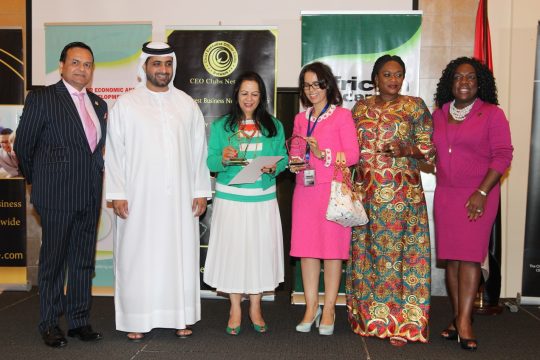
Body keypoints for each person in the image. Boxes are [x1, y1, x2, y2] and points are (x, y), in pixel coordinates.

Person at [105, 41, 212, 341]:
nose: (162, 69)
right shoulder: (126, 104)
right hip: (138, 199)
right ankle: (136, 318)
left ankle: (180, 316)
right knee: (137, 255)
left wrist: (201, 190)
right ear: (145, 66)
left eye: (167, 64)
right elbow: (115, 152)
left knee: (178, 254)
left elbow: (198, 152)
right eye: (156, 64)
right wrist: (118, 193)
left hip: (179, 199)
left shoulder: (186, 103)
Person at [15, 42, 107, 348]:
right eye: (76, 62)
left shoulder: (99, 105)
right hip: (56, 196)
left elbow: (94, 152)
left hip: (90, 196)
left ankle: (79, 321)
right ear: (62, 66)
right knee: (53, 263)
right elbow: (23, 148)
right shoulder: (42, 98)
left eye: (88, 64)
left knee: (83, 262)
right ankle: (49, 323)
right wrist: (40, 182)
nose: (82, 69)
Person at [346, 54, 434, 346]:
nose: (393, 80)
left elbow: (430, 152)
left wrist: (408, 148)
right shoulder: (360, 108)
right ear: (375, 79)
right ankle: (368, 320)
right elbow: (349, 148)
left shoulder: (414, 106)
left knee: (401, 258)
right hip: (366, 195)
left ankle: (403, 324)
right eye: (387, 74)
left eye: (398, 74)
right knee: (367, 256)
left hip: (402, 197)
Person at [432, 57, 513, 351]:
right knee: (452, 259)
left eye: (470, 78)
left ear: (480, 84)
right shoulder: (439, 114)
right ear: (449, 83)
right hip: (446, 194)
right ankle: (458, 317)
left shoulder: (492, 114)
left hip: (478, 194)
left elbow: (503, 155)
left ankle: (464, 322)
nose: (463, 83)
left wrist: (481, 191)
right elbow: (434, 153)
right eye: (457, 78)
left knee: (469, 258)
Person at [203, 71, 287, 335]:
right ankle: (235, 308)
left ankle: (256, 307)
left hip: (262, 200)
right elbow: (210, 163)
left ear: (261, 97)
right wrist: (224, 159)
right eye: (244, 93)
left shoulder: (274, 126)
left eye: (254, 94)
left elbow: (283, 158)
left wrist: (274, 167)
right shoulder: (221, 127)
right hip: (231, 200)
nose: (249, 99)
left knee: (259, 253)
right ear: (236, 95)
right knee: (235, 253)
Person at [289, 62, 359, 336]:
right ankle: (310, 306)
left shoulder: (342, 116)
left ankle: (329, 308)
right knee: (307, 252)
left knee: (332, 253)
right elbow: (295, 149)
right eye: (307, 85)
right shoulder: (299, 118)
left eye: (317, 84)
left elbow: (352, 155)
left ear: (327, 85)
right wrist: (294, 161)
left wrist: (323, 154)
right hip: (305, 191)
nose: (312, 90)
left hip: (333, 191)